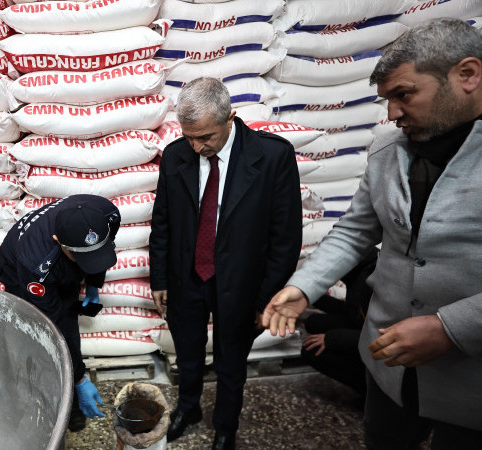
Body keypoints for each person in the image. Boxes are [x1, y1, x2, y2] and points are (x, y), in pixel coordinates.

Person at [262, 18, 482, 449]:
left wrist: (448, 327)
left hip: (471, 374)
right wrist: (303, 287)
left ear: (467, 75)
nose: (393, 114)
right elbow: (355, 230)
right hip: (389, 365)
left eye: (404, 95)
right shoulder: (388, 150)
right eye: (386, 100)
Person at [149, 77, 301, 449]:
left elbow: (285, 238)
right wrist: (159, 278)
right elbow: (163, 222)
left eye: (206, 138)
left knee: (232, 360)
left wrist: (266, 297)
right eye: (189, 137)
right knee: (187, 351)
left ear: (230, 118)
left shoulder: (272, 157)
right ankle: (189, 408)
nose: (197, 147)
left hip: (242, 280)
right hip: (187, 274)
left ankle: (225, 426)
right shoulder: (174, 155)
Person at [0, 194, 121, 432]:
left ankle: (71, 403)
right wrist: (81, 380)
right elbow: (56, 324)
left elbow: (101, 247)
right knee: (51, 334)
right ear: (58, 241)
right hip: (21, 275)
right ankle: (55, 397)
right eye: (81, 257)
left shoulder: (107, 214)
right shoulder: (35, 266)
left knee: (69, 321)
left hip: (63, 259)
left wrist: (94, 281)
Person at [301, 248, 377, 395]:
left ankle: (369, 390)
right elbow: (352, 312)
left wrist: (331, 339)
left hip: (380, 349)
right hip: (362, 330)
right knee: (313, 322)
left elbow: (376, 335)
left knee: (311, 351)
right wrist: (307, 295)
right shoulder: (359, 270)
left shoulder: (370, 281)